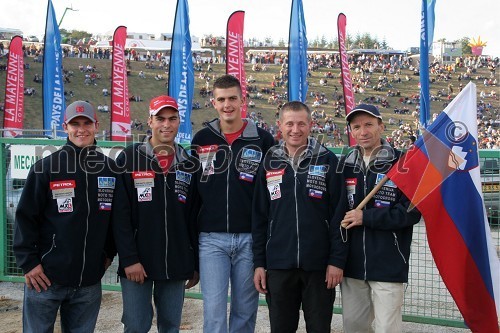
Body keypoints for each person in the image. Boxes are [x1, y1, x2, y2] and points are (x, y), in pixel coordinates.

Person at [13, 101, 117, 333]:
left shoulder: (110, 169)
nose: (81, 129)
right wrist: (29, 263)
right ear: (65, 127)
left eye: (86, 123)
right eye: (75, 124)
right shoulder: (46, 167)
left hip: (89, 282)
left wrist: (108, 252)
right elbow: (25, 218)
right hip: (46, 279)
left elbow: (115, 219)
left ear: (96, 125)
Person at [252, 101, 348, 332]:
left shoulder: (327, 160)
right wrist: (259, 264)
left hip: (318, 266)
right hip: (278, 265)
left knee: (319, 328)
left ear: (310, 125)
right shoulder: (268, 162)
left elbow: (339, 217)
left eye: (301, 124)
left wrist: (336, 261)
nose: (295, 129)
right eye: (290, 124)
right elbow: (259, 217)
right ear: (280, 126)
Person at [191, 74, 274, 333]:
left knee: (245, 312)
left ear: (242, 100)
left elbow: (272, 193)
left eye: (232, 99)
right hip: (211, 239)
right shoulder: (202, 139)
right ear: (213, 103)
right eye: (222, 99)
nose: (227, 104)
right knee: (214, 313)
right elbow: (194, 194)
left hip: (250, 239)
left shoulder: (263, 140)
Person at [112, 95, 200, 332]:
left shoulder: (189, 163)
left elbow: (193, 218)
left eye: (172, 119)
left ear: (179, 121)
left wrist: (194, 262)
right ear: (149, 121)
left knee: (171, 326)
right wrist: (129, 259)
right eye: (160, 118)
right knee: (136, 325)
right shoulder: (129, 158)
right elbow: (119, 216)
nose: (166, 124)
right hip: (137, 263)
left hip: (176, 262)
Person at [339, 104, 421, 333]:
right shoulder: (344, 166)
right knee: (354, 327)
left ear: (381, 126)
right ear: (352, 132)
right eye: (357, 127)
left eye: (368, 125)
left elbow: (412, 212)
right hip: (352, 266)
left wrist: (367, 217)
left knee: (387, 328)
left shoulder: (402, 163)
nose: (363, 132)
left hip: (388, 264)